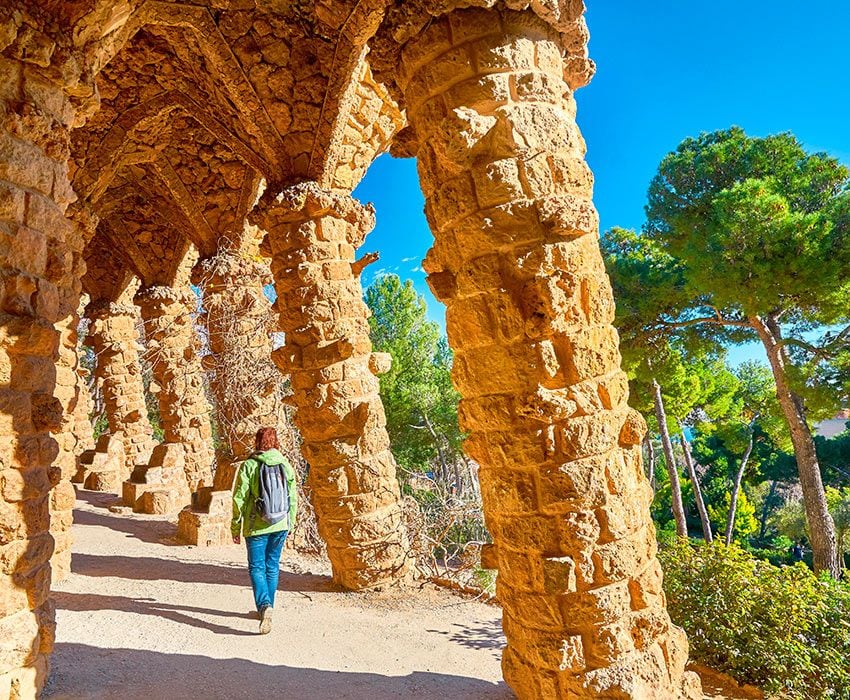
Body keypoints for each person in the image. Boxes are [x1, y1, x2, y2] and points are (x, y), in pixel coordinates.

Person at [231, 427, 298, 634]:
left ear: (257, 442)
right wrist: (291, 522)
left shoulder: (249, 465)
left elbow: (239, 498)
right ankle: (268, 607)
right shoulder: (285, 465)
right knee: (272, 565)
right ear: (276, 442)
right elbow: (292, 498)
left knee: (257, 567)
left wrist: (235, 524)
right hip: (281, 524)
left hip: (256, 526)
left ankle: (264, 606)